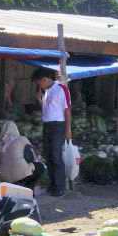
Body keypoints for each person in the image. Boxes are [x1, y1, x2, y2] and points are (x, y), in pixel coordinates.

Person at [32, 68, 72, 196]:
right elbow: (47, 110)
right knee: (48, 156)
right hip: (47, 125)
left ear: (44, 79)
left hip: (57, 126)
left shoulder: (61, 89)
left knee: (56, 156)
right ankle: (52, 185)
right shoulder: (47, 91)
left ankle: (60, 187)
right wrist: (39, 99)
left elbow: (67, 110)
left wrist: (68, 129)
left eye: (39, 83)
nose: (39, 86)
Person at [0, 121, 45, 189]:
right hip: (21, 176)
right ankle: (28, 187)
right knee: (40, 166)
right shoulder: (22, 139)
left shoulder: (0, 144)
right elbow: (31, 158)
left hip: (5, 178)